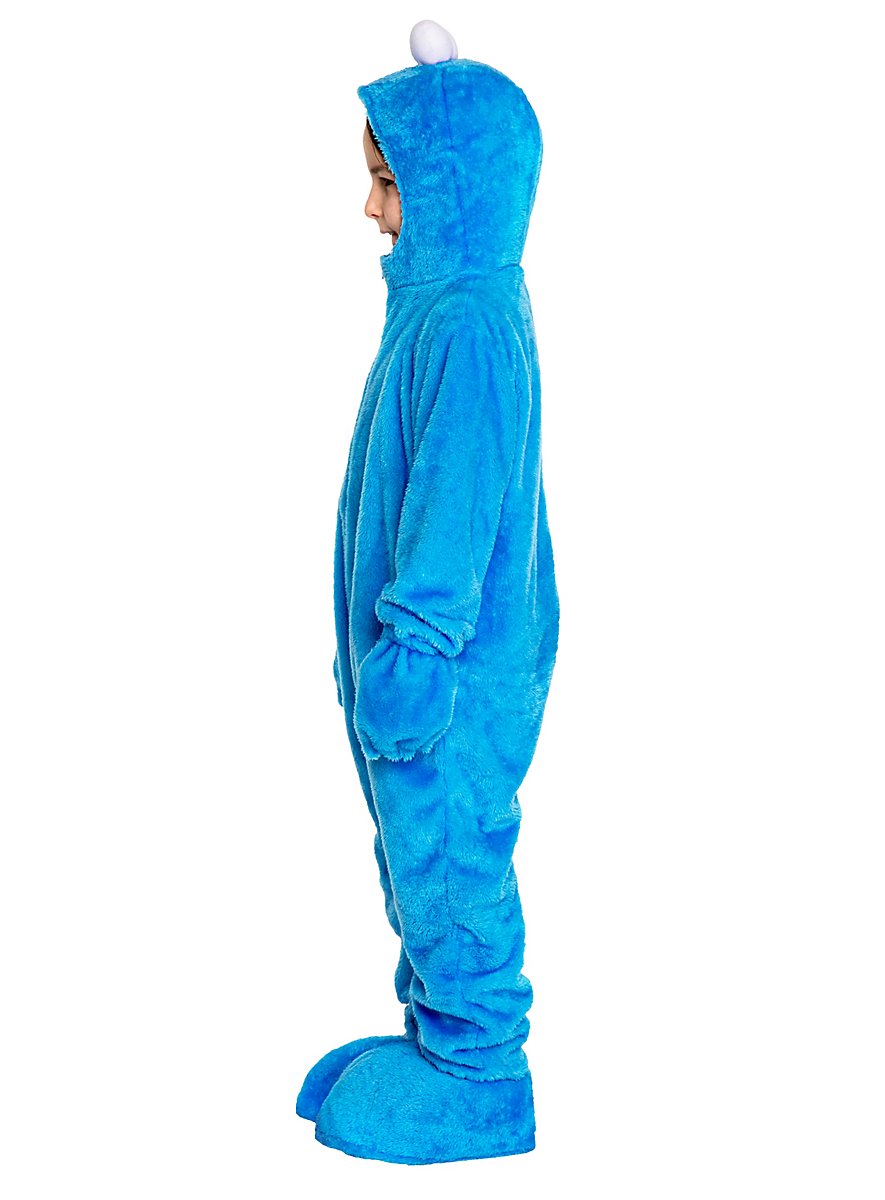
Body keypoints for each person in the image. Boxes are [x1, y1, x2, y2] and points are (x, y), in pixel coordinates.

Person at [297, 22, 560, 1165]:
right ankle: (434, 1033)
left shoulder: (465, 324)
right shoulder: (439, 308)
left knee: (451, 851)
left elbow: (453, 505)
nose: (372, 210)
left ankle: (480, 1070)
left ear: (451, 187)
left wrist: (409, 655)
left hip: (443, 676)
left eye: (390, 183)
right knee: (417, 850)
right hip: (419, 673)